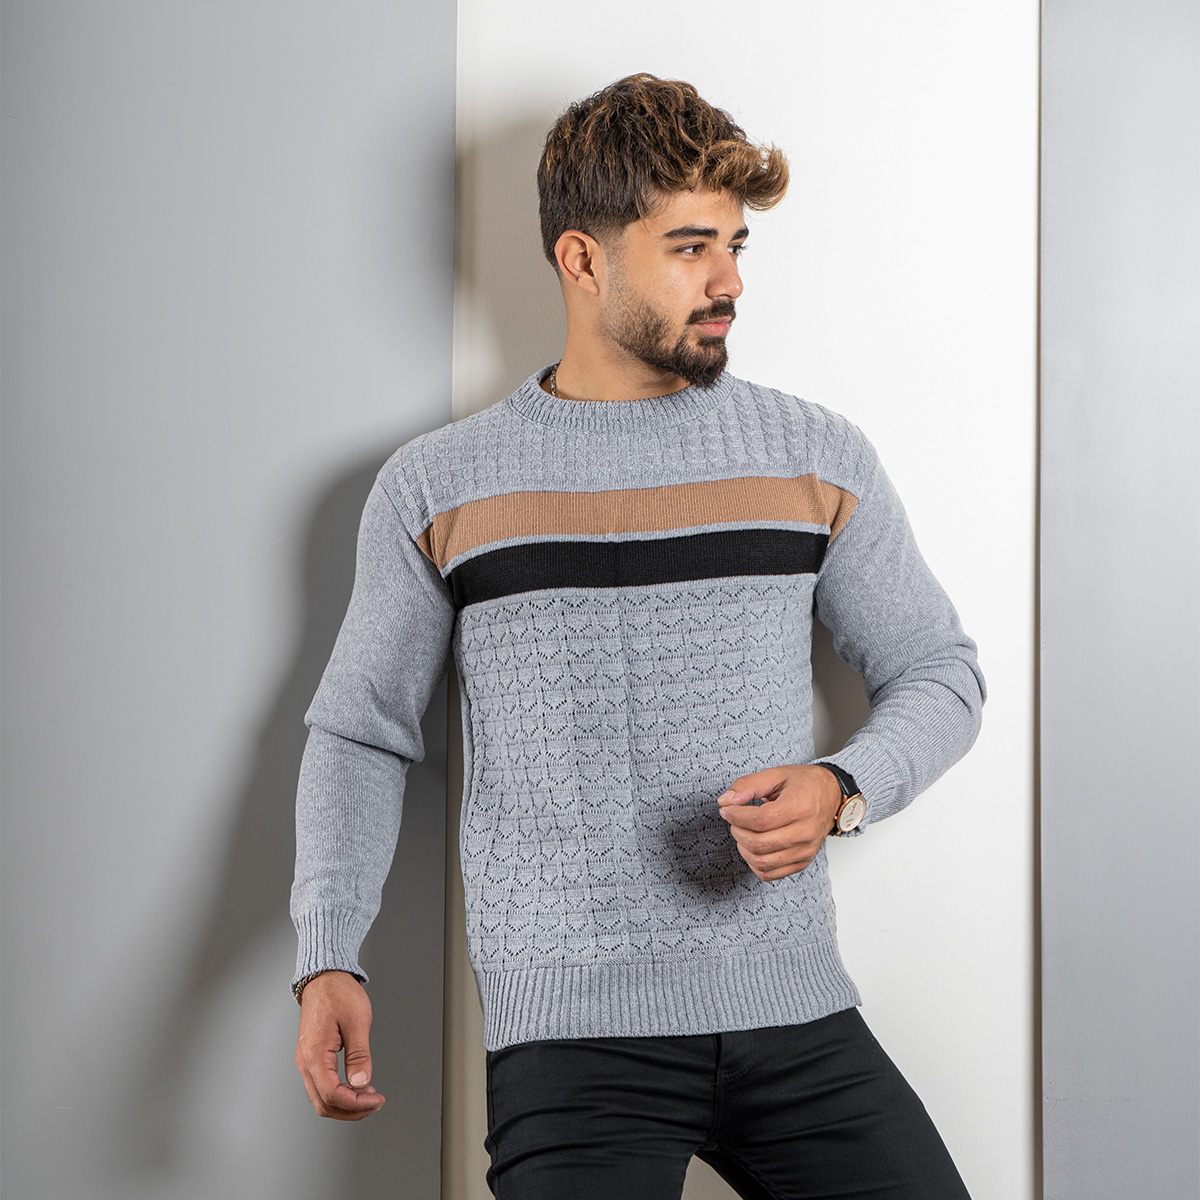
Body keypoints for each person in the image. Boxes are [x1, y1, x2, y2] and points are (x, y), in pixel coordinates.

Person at [290, 73, 985, 1199]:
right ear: (582, 259)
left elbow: (938, 670)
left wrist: (843, 788)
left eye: (736, 246)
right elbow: (361, 735)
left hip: (796, 1013)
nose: (729, 281)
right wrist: (328, 952)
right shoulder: (439, 486)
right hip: (574, 1048)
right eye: (691, 248)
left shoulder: (815, 457)